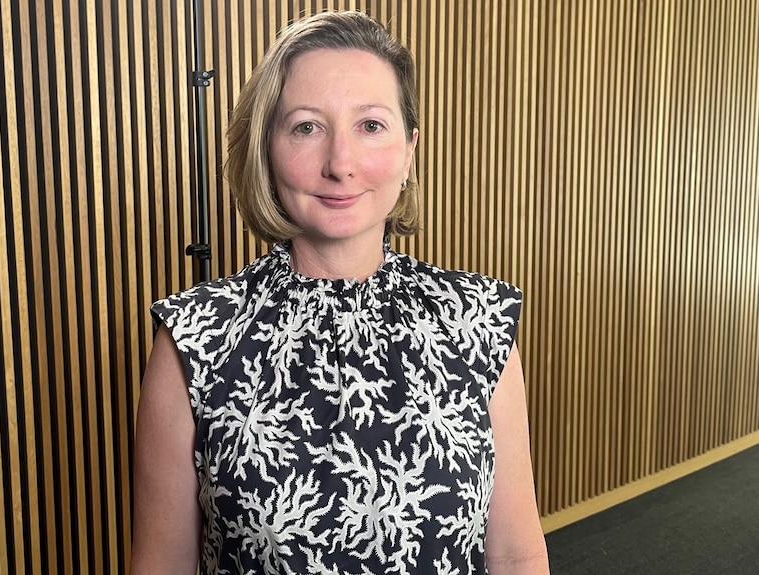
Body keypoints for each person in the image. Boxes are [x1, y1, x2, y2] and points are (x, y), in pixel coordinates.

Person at [131, 10, 549, 575]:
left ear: (409, 150)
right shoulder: (195, 340)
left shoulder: (476, 324)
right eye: (307, 127)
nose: (341, 164)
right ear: (268, 149)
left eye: (371, 125)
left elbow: (516, 554)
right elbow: (161, 566)